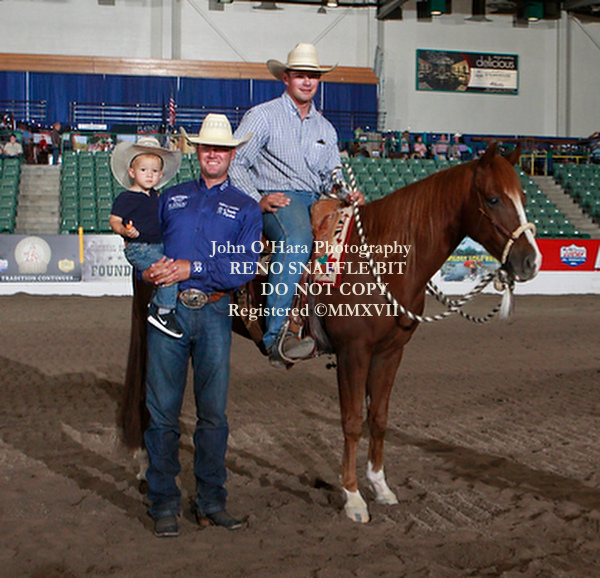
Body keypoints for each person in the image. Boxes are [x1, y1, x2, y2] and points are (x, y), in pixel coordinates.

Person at [141, 114, 262, 538]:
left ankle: (211, 502)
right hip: (168, 310)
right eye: (208, 147)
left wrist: (191, 267)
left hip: (213, 313)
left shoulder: (246, 208)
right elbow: (146, 248)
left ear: (232, 154)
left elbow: (244, 267)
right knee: (162, 413)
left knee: (212, 414)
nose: (214, 154)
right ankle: (163, 502)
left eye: (222, 149)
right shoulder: (170, 198)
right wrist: (147, 269)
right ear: (197, 151)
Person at [229, 42, 363, 366]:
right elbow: (236, 162)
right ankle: (277, 336)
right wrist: (257, 200)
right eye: (300, 75)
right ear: (286, 78)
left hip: (318, 200)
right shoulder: (263, 116)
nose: (307, 81)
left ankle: (340, 326)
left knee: (357, 240)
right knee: (298, 240)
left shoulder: (325, 128)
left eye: (313, 76)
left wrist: (346, 192)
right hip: (280, 198)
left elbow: (331, 175)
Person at [109, 136, 184, 338]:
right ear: (132, 172)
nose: (149, 175)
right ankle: (163, 312)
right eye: (143, 170)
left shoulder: (157, 197)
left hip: (157, 244)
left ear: (160, 175)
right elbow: (114, 221)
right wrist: (125, 231)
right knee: (169, 271)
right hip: (140, 247)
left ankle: (162, 305)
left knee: (175, 267)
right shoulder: (126, 197)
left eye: (154, 171)